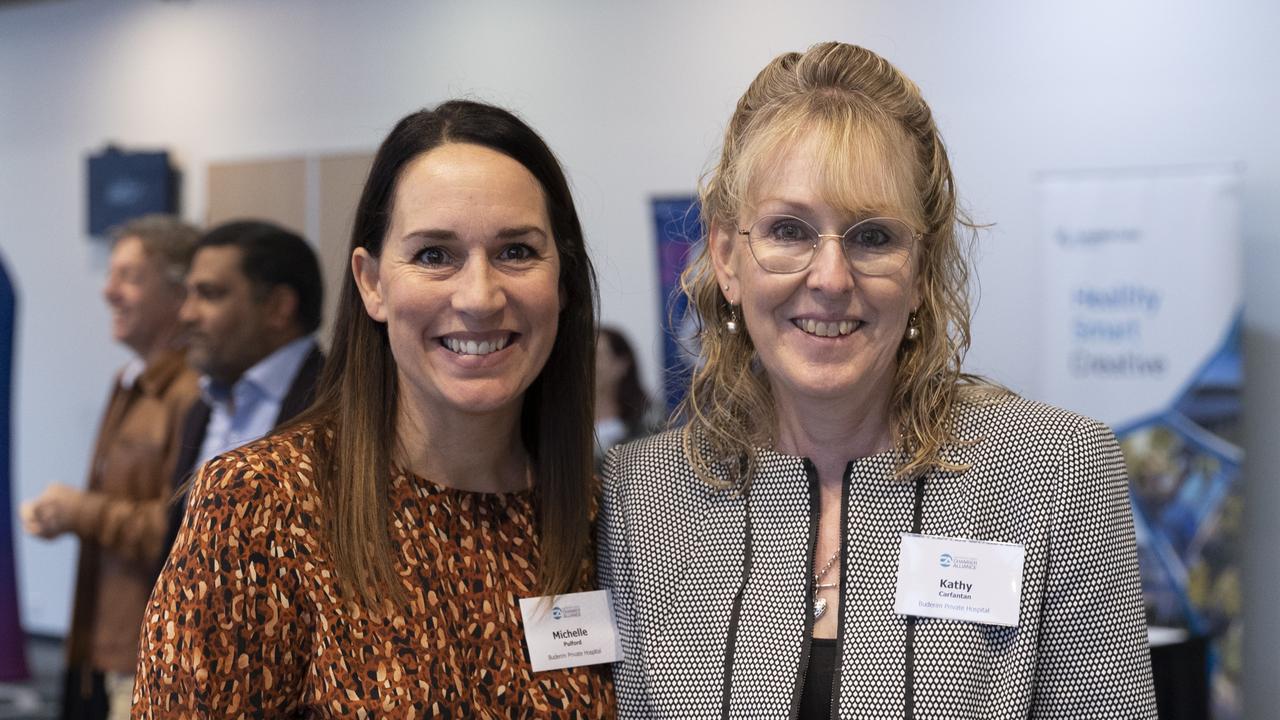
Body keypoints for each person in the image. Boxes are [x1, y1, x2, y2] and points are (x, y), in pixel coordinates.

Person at [598, 43, 1157, 718]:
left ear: (922, 268)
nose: (831, 279)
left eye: (872, 237)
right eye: (789, 230)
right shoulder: (641, 494)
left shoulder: (1054, 472)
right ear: (726, 258)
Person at [134, 100, 614, 717]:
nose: (479, 296)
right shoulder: (267, 505)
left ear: (564, 282)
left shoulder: (600, 519)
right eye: (435, 255)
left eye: (516, 251)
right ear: (372, 283)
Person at [20, 215, 200, 720]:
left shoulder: (191, 395)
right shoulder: (131, 380)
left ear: (179, 292)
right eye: (111, 275)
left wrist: (80, 512)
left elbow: (183, 534)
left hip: (152, 654)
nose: (108, 291)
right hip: (107, 641)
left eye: (129, 277)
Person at [160, 220, 325, 560]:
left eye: (209, 294)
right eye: (188, 294)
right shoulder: (202, 408)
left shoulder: (340, 406)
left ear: (278, 307)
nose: (187, 314)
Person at [594, 326, 653, 466]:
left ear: (622, 364)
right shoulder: (560, 424)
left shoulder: (650, 423)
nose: (587, 364)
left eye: (597, 356)